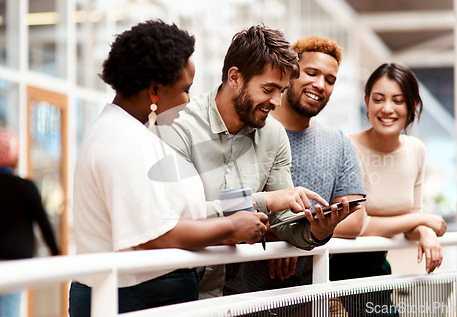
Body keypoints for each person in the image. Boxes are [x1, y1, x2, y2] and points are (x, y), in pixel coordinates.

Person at [68, 20, 268, 316]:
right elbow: (156, 235)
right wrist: (231, 226)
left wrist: (224, 233)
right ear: (154, 90)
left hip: (140, 291)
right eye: (185, 90)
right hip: (134, 295)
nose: (188, 101)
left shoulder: (133, 132)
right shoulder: (122, 140)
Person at [155, 25, 357, 299]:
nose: (276, 101)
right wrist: (263, 201)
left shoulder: (273, 135)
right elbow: (174, 218)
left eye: (282, 91)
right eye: (269, 88)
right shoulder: (178, 124)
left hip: (226, 297)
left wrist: (317, 230)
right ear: (235, 77)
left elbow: (283, 220)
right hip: (168, 289)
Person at [223, 36, 367, 295]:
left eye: (330, 80)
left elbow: (354, 220)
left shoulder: (338, 143)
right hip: (238, 293)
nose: (320, 84)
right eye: (311, 73)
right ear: (289, 76)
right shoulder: (247, 129)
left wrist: (297, 236)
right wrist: (282, 234)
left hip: (306, 294)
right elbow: (226, 205)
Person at [332, 63, 447, 316]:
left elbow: (411, 223)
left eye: (398, 100)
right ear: (366, 102)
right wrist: (422, 220)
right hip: (337, 270)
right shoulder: (346, 146)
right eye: (378, 99)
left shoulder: (416, 149)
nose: (387, 109)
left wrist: (425, 231)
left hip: (379, 269)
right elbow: (356, 225)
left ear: (412, 105)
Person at [0, 129, 60, 317]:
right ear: (16, 158)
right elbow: (44, 223)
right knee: (9, 310)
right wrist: (56, 253)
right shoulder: (24, 187)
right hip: (16, 264)